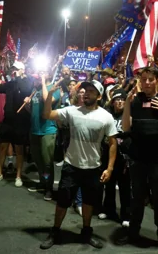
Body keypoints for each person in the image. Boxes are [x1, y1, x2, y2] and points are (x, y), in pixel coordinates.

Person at [40, 80, 118, 250]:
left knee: (89, 203)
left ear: (99, 96)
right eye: (85, 90)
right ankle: (55, 231)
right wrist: (49, 97)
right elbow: (47, 115)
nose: (86, 93)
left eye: (91, 91)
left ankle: (86, 232)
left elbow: (113, 143)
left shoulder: (106, 116)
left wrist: (110, 168)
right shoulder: (72, 111)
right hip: (71, 166)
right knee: (62, 202)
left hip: (93, 168)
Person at [118, 66, 158, 254]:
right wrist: (128, 104)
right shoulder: (135, 100)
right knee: (136, 198)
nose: (146, 82)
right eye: (143, 79)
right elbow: (126, 128)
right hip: (138, 158)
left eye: (150, 79)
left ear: (157, 80)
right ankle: (133, 233)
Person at [0, 61, 33, 187]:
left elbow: (25, 89)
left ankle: (18, 176)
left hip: (20, 121)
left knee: (19, 149)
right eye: (13, 69)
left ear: (22, 70)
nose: (14, 71)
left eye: (16, 69)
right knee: (2, 146)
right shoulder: (10, 84)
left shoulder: (27, 82)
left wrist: (19, 76)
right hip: (8, 120)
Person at [98, 89, 131, 225]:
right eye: (117, 99)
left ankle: (126, 215)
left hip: (124, 157)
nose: (120, 101)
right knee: (109, 184)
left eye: (122, 99)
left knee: (124, 187)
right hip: (108, 154)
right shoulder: (108, 115)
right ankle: (108, 210)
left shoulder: (128, 115)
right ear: (112, 102)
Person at [26, 70, 60, 201]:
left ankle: (49, 188)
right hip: (35, 129)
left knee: (47, 162)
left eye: (42, 75)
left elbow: (47, 100)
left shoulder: (53, 88)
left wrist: (44, 83)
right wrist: (27, 105)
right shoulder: (36, 89)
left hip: (48, 130)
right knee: (38, 159)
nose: (38, 77)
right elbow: (33, 111)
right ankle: (42, 182)